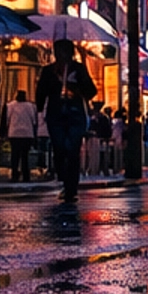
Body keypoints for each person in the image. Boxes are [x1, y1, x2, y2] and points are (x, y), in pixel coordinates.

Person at [37, 39, 94, 204]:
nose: (61, 55)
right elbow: (41, 91)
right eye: (58, 51)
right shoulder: (49, 71)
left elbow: (91, 91)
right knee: (59, 147)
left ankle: (71, 188)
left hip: (75, 114)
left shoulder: (79, 69)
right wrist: (40, 109)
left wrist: (75, 87)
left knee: (73, 150)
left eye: (64, 51)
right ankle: (63, 177)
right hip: (56, 114)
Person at [5, 84, 40, 181]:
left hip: (14, 133)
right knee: (25, 156)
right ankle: (26, 175)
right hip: (27, 133)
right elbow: (34, 120)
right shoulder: (31, 106)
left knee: (14, 155)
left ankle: (14, 175)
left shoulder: (10, 105)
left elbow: (7, 119)